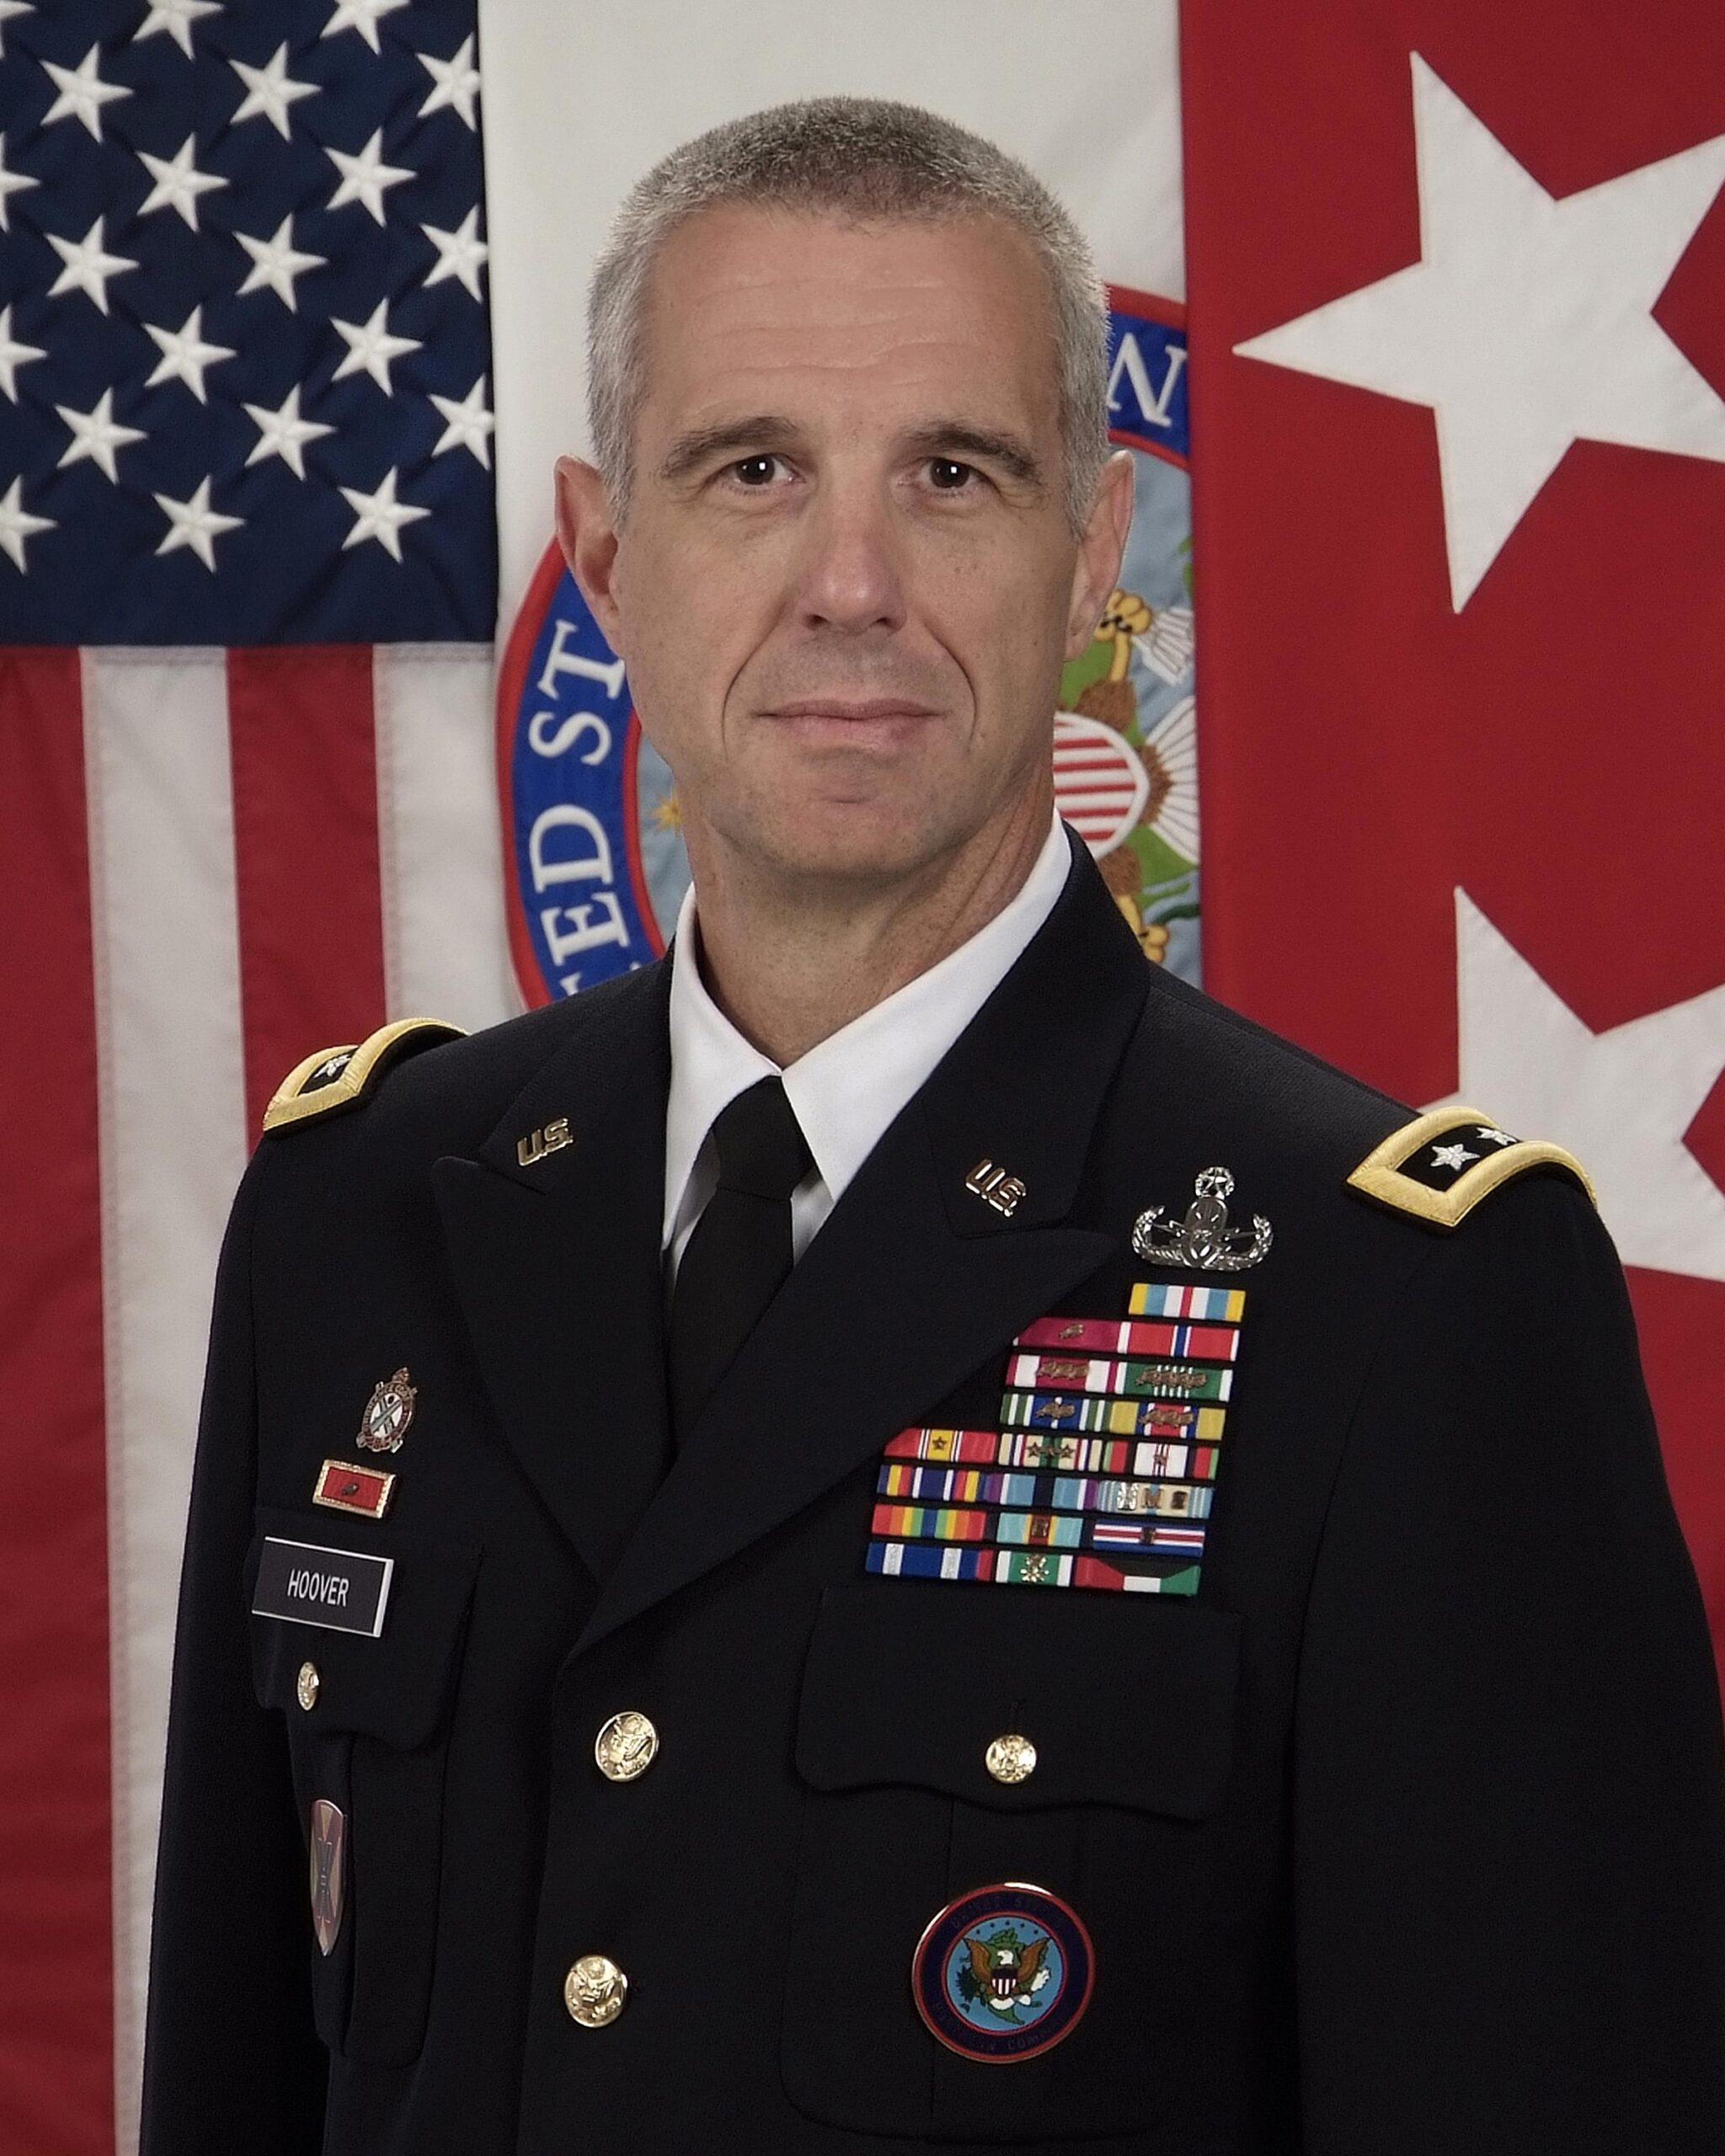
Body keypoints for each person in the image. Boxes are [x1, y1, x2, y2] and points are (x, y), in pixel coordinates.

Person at [141, 97, 1725, 2156]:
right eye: (753, 469)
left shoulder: (1400, 1301)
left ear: (1088, 555)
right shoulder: (359, 1212)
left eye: (953, 474)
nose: (852, 582)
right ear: (607, 552)